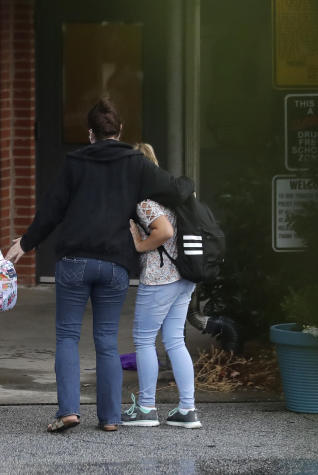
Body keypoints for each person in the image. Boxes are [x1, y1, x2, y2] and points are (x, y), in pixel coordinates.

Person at [5, 97, 186, 433]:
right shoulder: (136, 164)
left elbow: (51, 210)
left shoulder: (74, 162)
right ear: (120, 131)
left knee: (67, 336)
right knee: (106, 339)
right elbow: (175, 189)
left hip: (74, 260)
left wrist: (25, 243)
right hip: (115, 262)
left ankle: (69, 412)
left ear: (90, 134)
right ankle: (110, 417)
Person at [121, 142, 201, 429]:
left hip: (159, 279)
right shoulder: (172, 199)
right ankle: (187, 409)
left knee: (144, 340)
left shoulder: (145, 202)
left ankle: (145, 407)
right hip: (183, 278)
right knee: (175, 340)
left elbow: (164, 231)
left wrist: (141, 244)